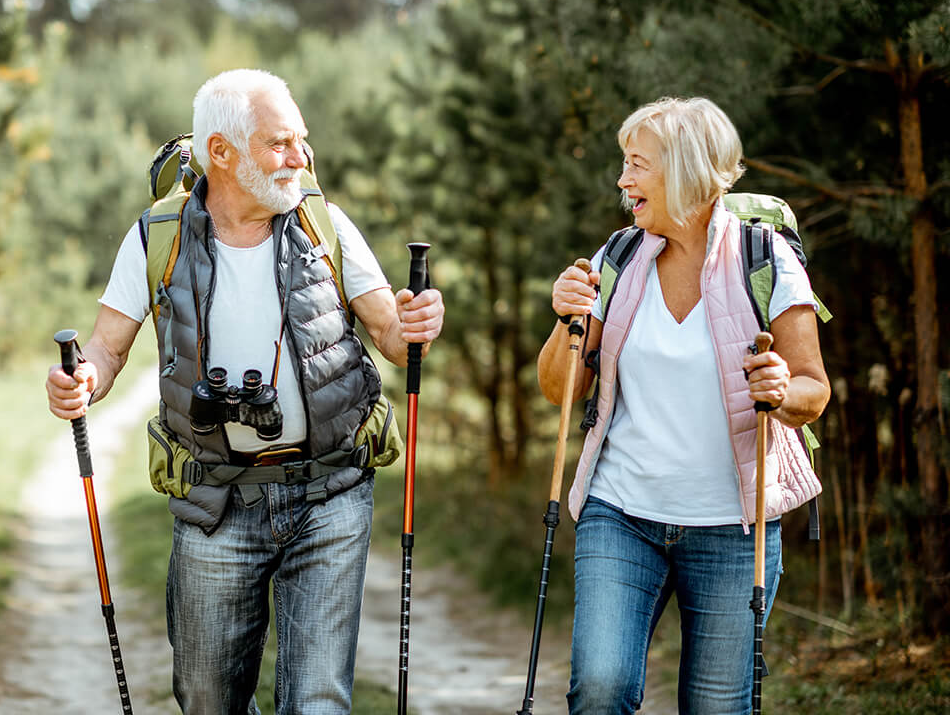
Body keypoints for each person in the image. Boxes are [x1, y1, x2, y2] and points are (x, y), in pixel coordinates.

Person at [45, 68, 444, 715]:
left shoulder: (326, 224)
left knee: (317, 702)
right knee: (206, 699)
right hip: (215, 497)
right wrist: (80, 381)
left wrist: (421, 322)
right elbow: (106, 348)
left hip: (331, 491)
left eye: (301, 140)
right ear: (222, 153)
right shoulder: (158, 235)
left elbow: (395, 339)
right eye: (279, 143)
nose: (300, 158)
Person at [537, 97, 829, 714]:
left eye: (638, 165)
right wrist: (568, 318)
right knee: (599, 688)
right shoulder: (619, 258)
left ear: (688, 171)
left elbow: (813, 391)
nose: (623, 180)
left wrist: (781, 388)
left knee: (718, 708)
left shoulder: (764, 260)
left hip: (731, 527)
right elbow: (561, 388)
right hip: (622, 513)